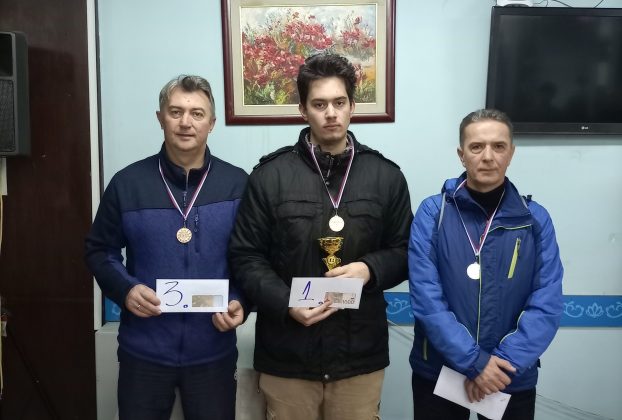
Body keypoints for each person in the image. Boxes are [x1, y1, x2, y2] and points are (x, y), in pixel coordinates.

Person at [228, 53, 412, 420]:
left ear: (352, 106)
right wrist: (286, 303)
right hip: (288, 355)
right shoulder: (269, 176)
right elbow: (245, 256)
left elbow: (406, 250)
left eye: (339, 103)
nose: (331, 113)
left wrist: (370, 269)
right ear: (302, 109)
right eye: (319, 104)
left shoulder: (386, 176)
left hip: (358, 357)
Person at [85, 75, 247, 420]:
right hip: (143, 353)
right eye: (175, 112)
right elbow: (99, 250)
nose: (186, 122)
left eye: (197, 113)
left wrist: (241, 301)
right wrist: (126, 289)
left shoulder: (238, 184)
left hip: (213, 352)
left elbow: (252, 257)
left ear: (212, 123)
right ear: (160, 118)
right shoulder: (127, 184)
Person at [408, 109, 563, 420]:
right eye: (477, 147)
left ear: (511, 153)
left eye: (499, 146)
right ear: (461, 154)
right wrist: (475, 363)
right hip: (441, 372)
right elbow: (426, 298)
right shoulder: (433, 213)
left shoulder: (534, 219)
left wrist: (500, 367)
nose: (488, 156)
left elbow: (547, 302)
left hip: (509, 376)